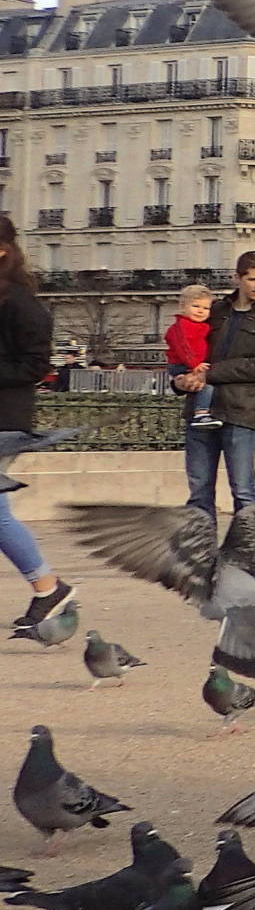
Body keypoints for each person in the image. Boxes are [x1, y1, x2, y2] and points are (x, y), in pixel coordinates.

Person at [174, 251, 255, 517]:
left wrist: (211, 373)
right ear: (237, 278)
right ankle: (202, 554)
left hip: (243, 412)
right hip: (202, 409)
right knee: (199, 492)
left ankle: (250, 553)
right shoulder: (214, 311)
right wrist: (179, 379)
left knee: (243, 491)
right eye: (253, 279)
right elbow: (186, 346)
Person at [0, 218, 74, 624]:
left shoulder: (21, 303)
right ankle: (47, 586)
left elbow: (35, 366)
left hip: (4, 421)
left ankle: (47, 585)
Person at [165, 284, 218, 429]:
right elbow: (184, 348)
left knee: (201, 384)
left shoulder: (200, 325)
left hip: (191, 363)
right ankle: (201, 413)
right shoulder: (182, 326)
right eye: (195, 306)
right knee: (205, 384)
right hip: (184, 364)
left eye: (205, 308)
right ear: (183, 306)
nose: (201, 311)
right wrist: (195, 365)